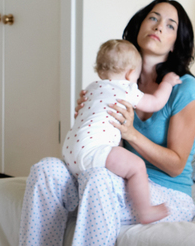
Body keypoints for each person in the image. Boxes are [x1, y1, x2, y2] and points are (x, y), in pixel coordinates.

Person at [19, 0, 195, 246]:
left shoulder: (183, 87)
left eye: (170, 25)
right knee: (47, 170)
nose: (159, 26)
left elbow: (176, 165)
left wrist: (130, 133)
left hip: (165, 193)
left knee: (97, 178)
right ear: (139, 27)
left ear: (175, 44)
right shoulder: (115, 83)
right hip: (116, 179)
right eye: (153, 18)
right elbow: (108, 152)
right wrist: (93, 122)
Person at [62, 38, 182, 224]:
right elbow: (156, 102)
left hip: (70, 153)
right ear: (131, 73)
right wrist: (167, 83)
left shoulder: (92, 88)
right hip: (95, 152)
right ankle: (145, 211)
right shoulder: (126, 89)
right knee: (136, 166)